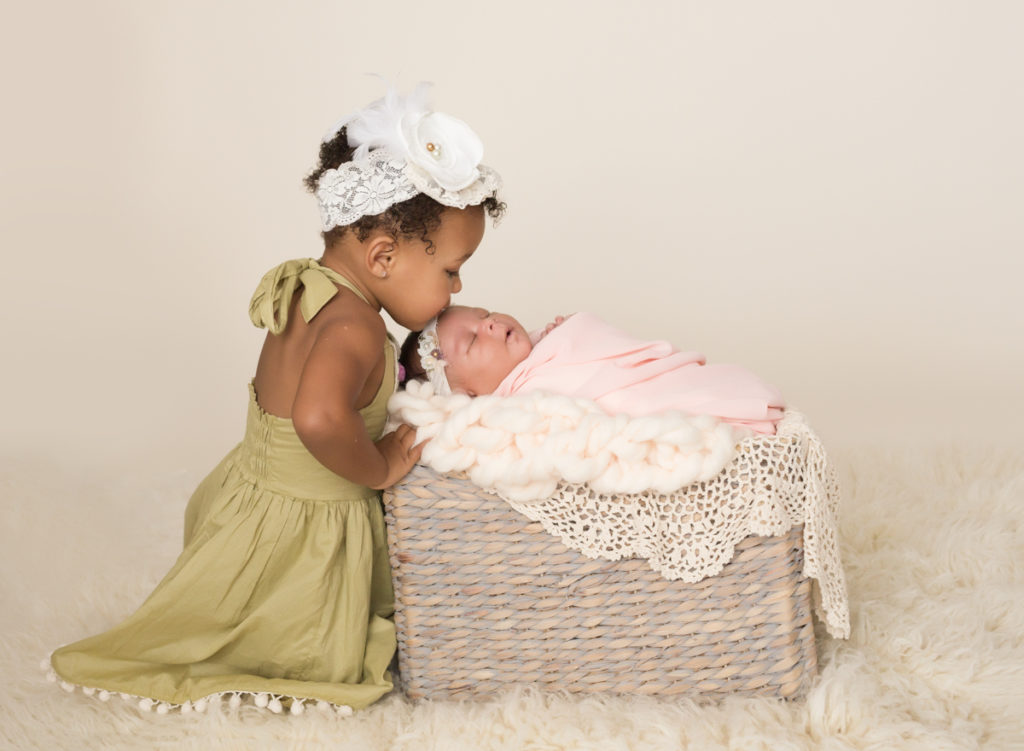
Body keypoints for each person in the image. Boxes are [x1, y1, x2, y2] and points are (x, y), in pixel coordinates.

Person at [49, 84, 505, 714]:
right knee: (318, 649)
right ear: (381, 255)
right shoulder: (356, 330)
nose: (458, 285)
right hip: (303, 528)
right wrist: (380, 466)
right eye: (452, 269)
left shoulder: (308, 286)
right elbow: (318, 419)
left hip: (250, 492)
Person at [401, 305, 784, 435]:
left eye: (484, 314)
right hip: (625, 395)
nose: (487, 324)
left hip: (647, 378)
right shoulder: (511, 408)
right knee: (631, 402)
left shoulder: (532, 351)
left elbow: (604, 352)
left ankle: (720, 394)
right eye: (471, 341)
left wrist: (559, 333)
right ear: (468, 396)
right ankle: (728, 409)